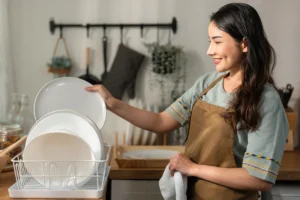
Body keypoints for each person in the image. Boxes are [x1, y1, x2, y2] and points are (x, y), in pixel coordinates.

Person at [86, 3, 288, 200]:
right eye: (210, 41)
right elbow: (161, 121)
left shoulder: (266, 100)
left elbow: (258, 178)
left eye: (217, 42)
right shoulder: (207, 84)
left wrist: (193, 169)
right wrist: (111, 102)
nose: (210, 51)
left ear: (244, 44)